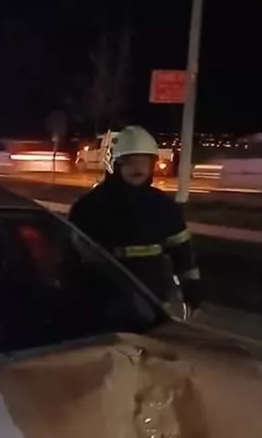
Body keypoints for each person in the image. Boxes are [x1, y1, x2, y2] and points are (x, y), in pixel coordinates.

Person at [67, 125, 202, 318]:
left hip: (152, 300)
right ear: (116, 165)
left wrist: (193, 294)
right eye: (130, 162)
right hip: (103, 302)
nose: (138, 168)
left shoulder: (163, 206)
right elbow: (71, 256)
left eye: (144, 162)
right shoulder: (89, 206)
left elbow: (183, 255)